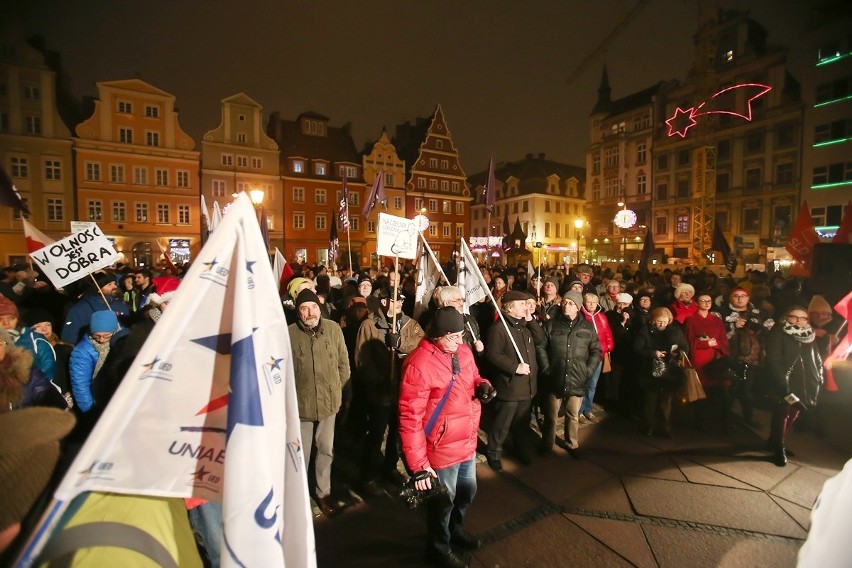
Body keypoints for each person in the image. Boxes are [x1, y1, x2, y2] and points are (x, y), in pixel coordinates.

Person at [399, 307, 494, 568]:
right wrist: (419, 466)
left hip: (467, 440)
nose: (459, 342)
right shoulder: (419, 365)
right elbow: (410, 418)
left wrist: (482, 384)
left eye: (461, 335)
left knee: (467, 493)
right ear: (437, 335)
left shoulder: (462, 351)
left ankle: (456, 529)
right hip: (441, 449)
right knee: (443, 503)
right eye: (453, 337)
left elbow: (473, 376)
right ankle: (439, 546)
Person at [355, 287, 425, 494]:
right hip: (381, 391)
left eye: (402, 300)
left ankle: (390, 466)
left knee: (397, 432)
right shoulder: (369, 325)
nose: (400, 304)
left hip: (404, 389)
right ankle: (367, 476)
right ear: (384, 302)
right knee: (376, 433)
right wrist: (381, 380)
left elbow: (421, 345)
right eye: (395, 300)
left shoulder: (410, 325)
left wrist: (401, 343)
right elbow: (362, 360)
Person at [289, 289, 350, 516]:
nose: (310, 312)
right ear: (298, 311)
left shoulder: (333, 329)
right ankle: (299, 496)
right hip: (300, 406)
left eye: (313, 307)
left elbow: (343, 364)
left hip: (328, 405)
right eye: (304, 308)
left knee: (326, 449)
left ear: (319, 308)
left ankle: (323, 493)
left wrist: (339, 391)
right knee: (300, 454)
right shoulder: (289, 334)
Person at [536, 290, 601, 456]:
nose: (566, 305)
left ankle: (572, 444)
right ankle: (547, 444)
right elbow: (541, 347)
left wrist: (588, 370)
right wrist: (546, 368)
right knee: (551, 415)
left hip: (577, 377)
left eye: (571, 303)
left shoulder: (587, 327)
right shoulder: (551, 325)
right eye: (564, 302)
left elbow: (595, 351)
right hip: (555, 376)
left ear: (578, 307)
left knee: (573, 415)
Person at [484, 290, 543, 471]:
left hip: (527, 387)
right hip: (510, 387)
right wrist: (514, 367)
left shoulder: (524, 326)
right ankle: (493, 452)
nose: (526, 307)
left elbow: (540, 339)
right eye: (522, 304)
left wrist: (531, 320)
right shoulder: (499, 329)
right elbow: (492, 355)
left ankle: (520, 448)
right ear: (509, 308)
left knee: (521, 424)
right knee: (502, 424)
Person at [763, 306, 824, 467]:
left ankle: (774, 439)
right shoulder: (778, 332)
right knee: (783, 412)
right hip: (785, 382)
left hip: (805, 383)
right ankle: (778, 446)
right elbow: (773, 360)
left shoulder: (809, 335)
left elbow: (816, 357)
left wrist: (819, 375)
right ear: (786, 317)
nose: (799, 321)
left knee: (795, 413)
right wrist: (782, 384)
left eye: (803, 318)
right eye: (794, 317)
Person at [634, 307, 688, 438]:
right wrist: (653, 353)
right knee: (650, 399)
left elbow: (685, 347)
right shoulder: (645, 331)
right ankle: (650, 425)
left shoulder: (675, 331)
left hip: (670, 370)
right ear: (653, 321)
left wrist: (677, 353)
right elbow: (637, 348)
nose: (662, 324)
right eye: (659, 321)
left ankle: (665, 425)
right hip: (650, 370)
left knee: (667, 399)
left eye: (665, 321)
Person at [684, 294, 731, 432]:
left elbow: (723, 340)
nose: (706, 303)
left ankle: (723, 423)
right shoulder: (691, 320)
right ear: (697, 303)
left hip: (715, 359)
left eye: (709, 301)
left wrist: (716, 343)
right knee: (701, 393)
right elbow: (688, 341)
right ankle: (700, 423)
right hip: (700, 359)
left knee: (721, 392)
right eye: (702, 301)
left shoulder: (716, 320)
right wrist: (705, 343)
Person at [69, 311, 120, 414]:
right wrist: (91, 412)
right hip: (99, 403)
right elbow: (81, 386)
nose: (101, 340)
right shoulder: (82, 351)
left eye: (107, 336)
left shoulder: (123, 340)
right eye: (96, 336)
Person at [61, 272, 129, 345]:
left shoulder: (121, 304)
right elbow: (70, 337)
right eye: (109, 284)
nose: (115, 286)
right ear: (98, 289)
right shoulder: (80, 308)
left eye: (114, 283)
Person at [579, 292, 614, 422]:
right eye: (589, 301)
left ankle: (587, 409)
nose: (592, 304)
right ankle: (579, 411)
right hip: (585, 355)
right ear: (584, 302)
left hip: (599, 355)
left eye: (594, 301)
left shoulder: (602, 317)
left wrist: (609, 346)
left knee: (592, 384)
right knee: (582, 383)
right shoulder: (580, 316)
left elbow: (607, 333)